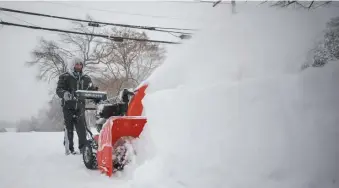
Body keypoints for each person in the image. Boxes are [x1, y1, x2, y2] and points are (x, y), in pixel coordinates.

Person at [56, 58, 96, 155]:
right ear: (72, 65)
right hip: (68, 107)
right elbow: (59, 90)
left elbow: (90, 91)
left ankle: (83, 149)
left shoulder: (86, 78)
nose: (78, 66)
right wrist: (65, 94)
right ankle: (70, 149)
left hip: (80, 107)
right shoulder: (65, 77)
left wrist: (95, 93)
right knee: (69, 129)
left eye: (80, 64)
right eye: (76, 64)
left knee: (82, 129)